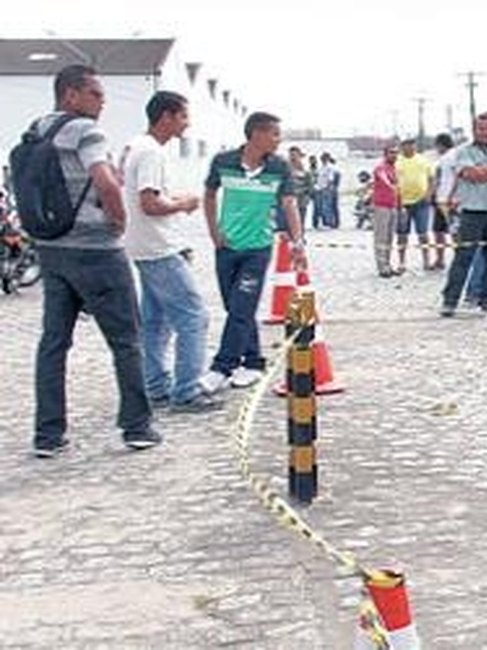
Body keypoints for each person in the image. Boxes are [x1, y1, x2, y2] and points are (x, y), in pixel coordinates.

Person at [29, 65, 159, 456]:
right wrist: (118, 221)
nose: (102, 102)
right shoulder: (87, 132)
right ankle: (137, 426)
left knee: (53, 343)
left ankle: (48, 435)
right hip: (96, 250)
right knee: (127, 340)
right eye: (96, 94)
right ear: (71, 94)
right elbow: (103, 181)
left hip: (52, 247)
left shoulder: (36, 130)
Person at [123, 91, 220, 415]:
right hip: (158, 248)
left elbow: (147, 197)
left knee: (155, 321)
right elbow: (150, 203)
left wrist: (173, 200)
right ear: (166, 116)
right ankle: (187, 390)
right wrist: (183, 204)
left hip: (143, 246)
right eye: (183, 116)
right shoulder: (151, 152)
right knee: (193, 317)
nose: (187, 123)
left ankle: (156, 385)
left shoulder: (137, 146)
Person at [198, 112, 305, 394]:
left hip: (258, 249)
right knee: (235, 307)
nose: (279, 140)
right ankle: (254, 361)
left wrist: (298, 243)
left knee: (242, 306)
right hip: (226, 247)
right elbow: (208, 195)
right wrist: (213, 231)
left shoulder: (279, 168)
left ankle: (222, 367)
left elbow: (289, 204)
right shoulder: (223, 162)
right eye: (275, 134)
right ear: (257, 134)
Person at [440, 111, 487, 317]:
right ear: (474, 129)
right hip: (471, 212)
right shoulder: (462, 152)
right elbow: (469, 174)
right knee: (463, 258)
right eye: (480, 128)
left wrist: (484, 172)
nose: (483, 132)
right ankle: (450, 301)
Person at [395, 138, 435, 272]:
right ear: (402, 147)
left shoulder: (423, 160)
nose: (410, 147)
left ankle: (426, 261)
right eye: (406, 145)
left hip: (421, 202)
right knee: (402, 234)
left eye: (412, 145)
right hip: (402, 203)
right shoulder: (397, 162)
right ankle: (401, 262)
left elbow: (431, 179)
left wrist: (429, 194)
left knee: (423, 233)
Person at [371, 145, 401, 278]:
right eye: (391, 153)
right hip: (381, 206)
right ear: (385, 154)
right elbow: (383, 179)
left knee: (389, 238)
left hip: (392, 206)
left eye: (396, 153)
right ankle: (382, 267)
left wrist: (400, 205)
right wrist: (390, 185)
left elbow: (398, 188)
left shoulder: (394, 169)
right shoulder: (380, 167)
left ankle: (388, 264)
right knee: (381, 237)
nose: (394, 155)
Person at [431, 133, 456, 270]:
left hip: (447, 199)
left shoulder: (452, 157)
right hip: (441, 198)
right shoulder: (443, 158)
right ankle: (440, 260)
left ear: (440, 145)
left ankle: (458, 259)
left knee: (453, 230)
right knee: (438, 230)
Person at [288, 147, 314, 224]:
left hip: (301, 200)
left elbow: (310, 186)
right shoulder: (286, 170)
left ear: (299, 156)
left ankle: (300, 235)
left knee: (300, 220)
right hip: (289, 201)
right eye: (291, 155)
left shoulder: (306, 171)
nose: (292, 157)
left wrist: (307, 197)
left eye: (294, 155)